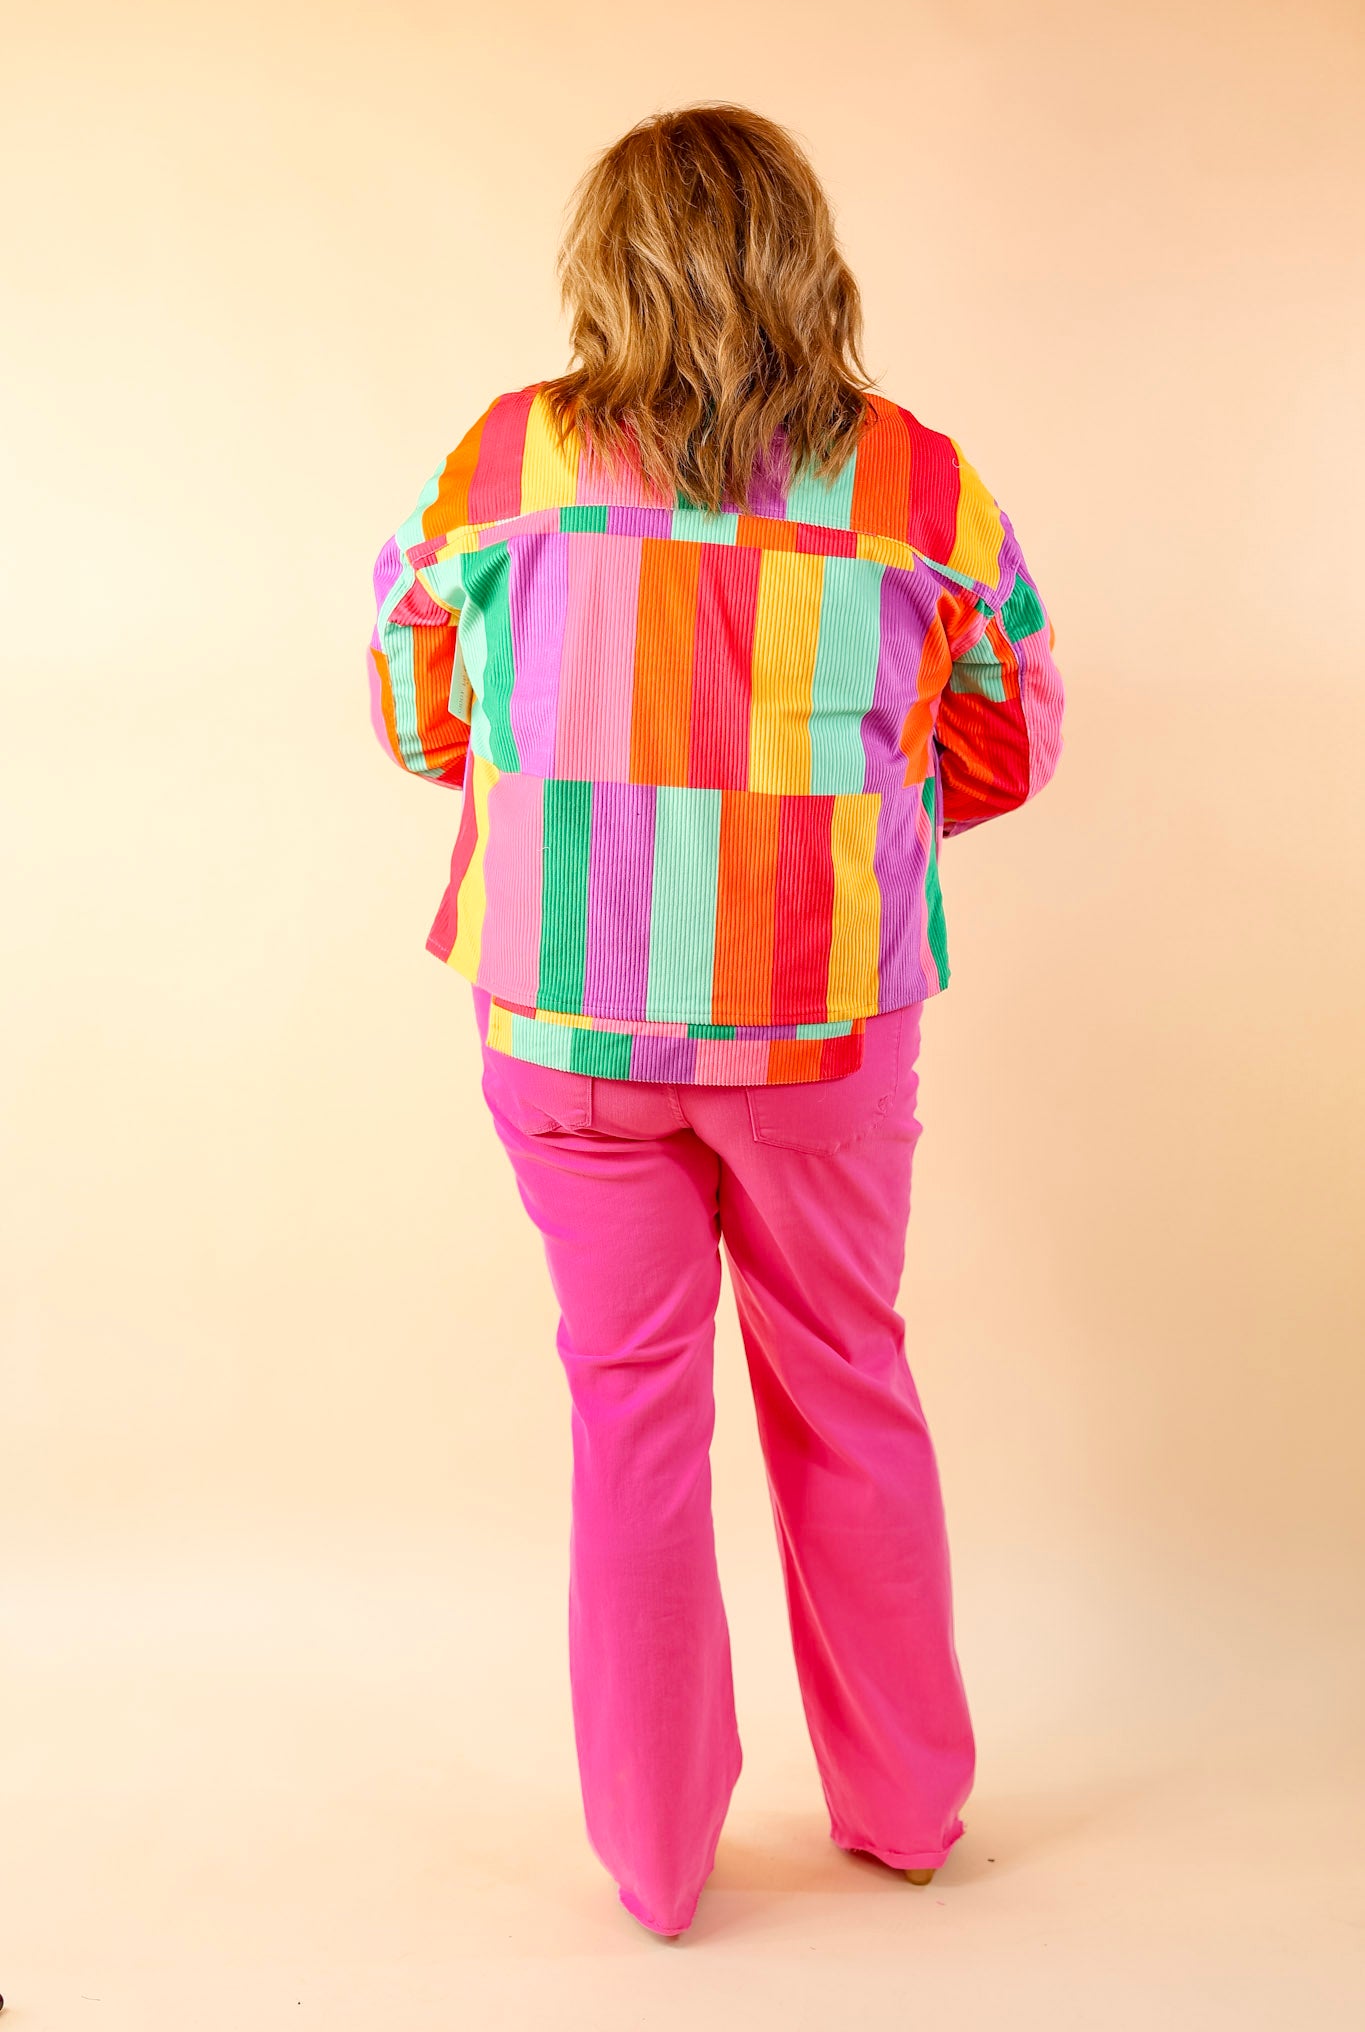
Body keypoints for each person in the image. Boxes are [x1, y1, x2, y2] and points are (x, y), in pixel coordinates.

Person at [365, 102, 1064, 1940]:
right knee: (846, 1384)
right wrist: (832, 813)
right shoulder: (916, 484)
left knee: (630, 1416)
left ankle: (658, 1865)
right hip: (824, 1025)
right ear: (805, 258)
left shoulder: (503, 462)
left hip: (564, 1023)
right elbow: (1007, 739)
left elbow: (417, 712)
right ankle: (906, 1813)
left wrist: (572, 776)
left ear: (601, 264)